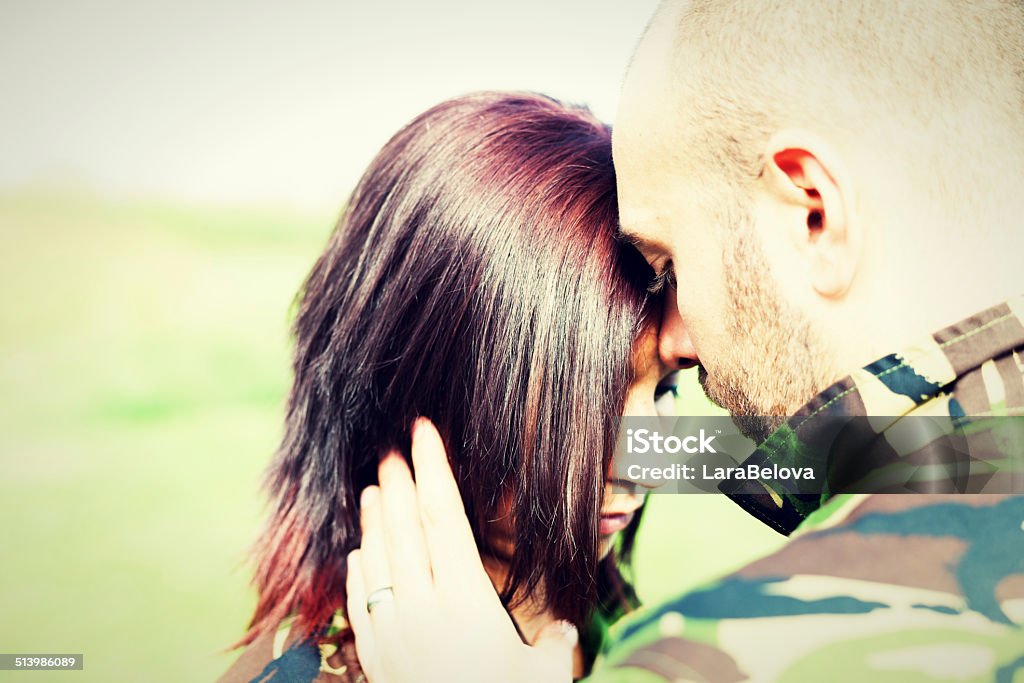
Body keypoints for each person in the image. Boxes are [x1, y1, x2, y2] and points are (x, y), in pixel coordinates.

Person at [345, 1, 1024, 681]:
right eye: (594, 392)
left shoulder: (715, 658)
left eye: (669, 260)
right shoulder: (980, 450)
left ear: (812, 214)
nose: (679, 333)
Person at [218, 91, 677, 683]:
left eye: (667, 392)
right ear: (415, 379)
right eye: (588, 403)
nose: (655, 461)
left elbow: (827, 463)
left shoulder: (612, 620)